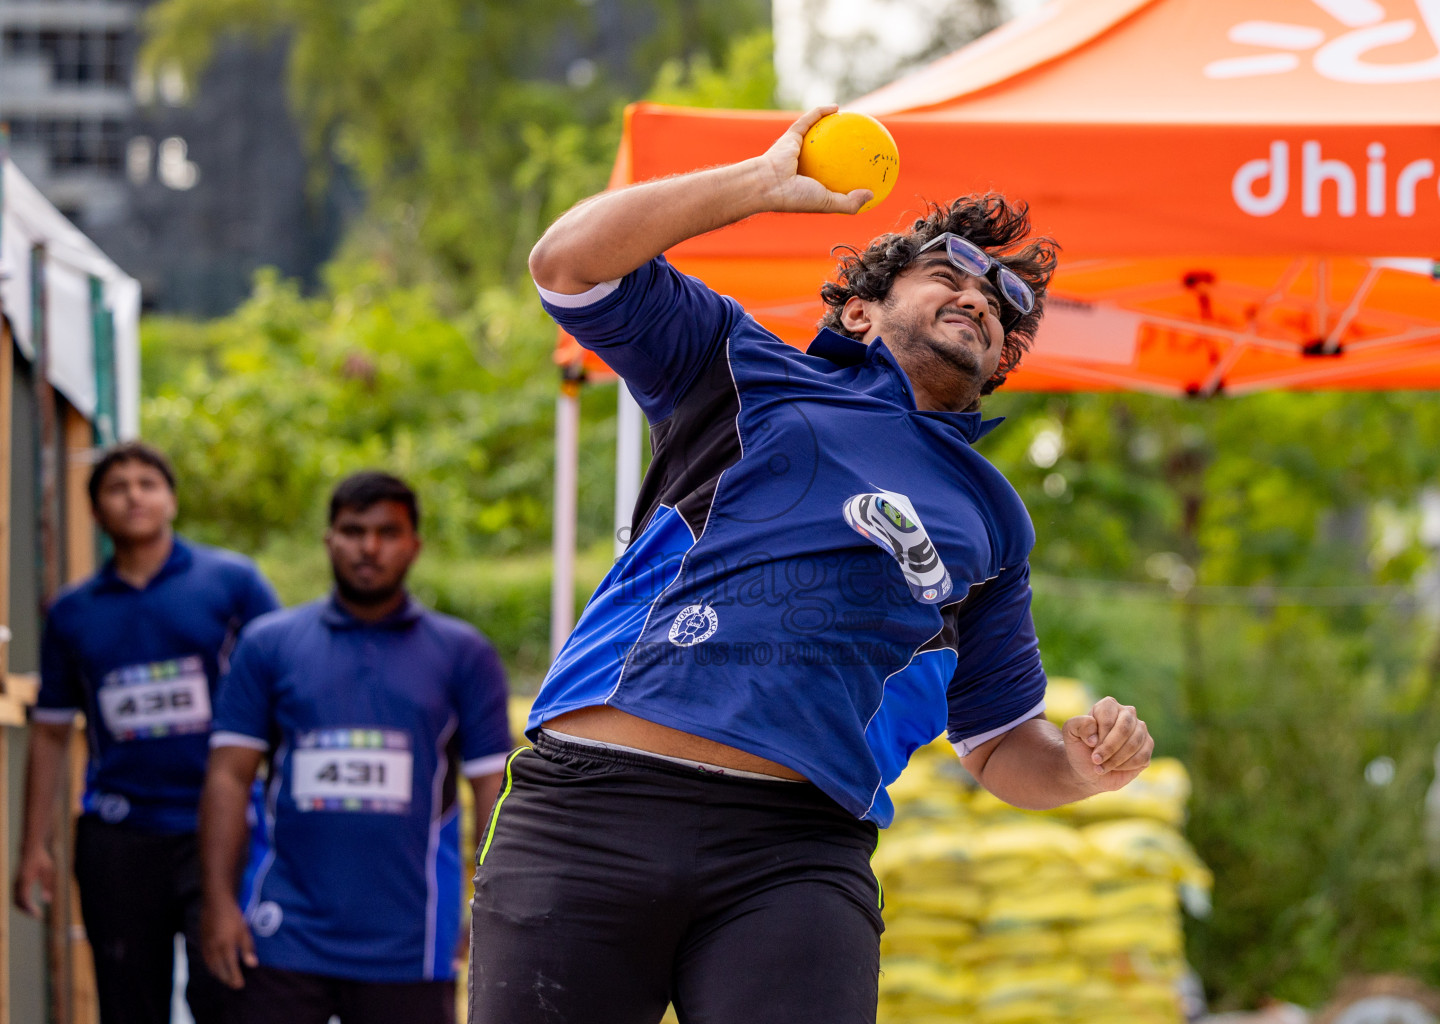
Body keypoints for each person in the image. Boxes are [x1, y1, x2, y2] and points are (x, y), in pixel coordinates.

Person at [468, 106, 1155, 1023]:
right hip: (595, 809)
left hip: (794, 853)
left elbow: (996, 745)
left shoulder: (993, 516)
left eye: (1005, 307)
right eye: (949, 272)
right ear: (861, 308)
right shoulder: (738, 364)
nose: (983, 299)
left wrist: (1083, 772)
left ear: (1000, 363)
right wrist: (760, 182)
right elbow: (568, 262)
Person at [200, 471, 513, 1024]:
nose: (369, 547)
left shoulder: (463, 653)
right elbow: (228, 776)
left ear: (413, 545)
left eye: (387, 532)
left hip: (411, 943)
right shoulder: (269, 644)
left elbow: (493, 786)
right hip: (282, 932)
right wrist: (220, 903)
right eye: (353, 530)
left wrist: (486, 907)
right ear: (329, 539)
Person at [11, 441, 281, 1024]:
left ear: (172, 500)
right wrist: (33, 845)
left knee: (231, 996)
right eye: (116, 487)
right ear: (96, 512)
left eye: (147, 483)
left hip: (226, 833)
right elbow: (52, 733)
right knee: (128, 1005)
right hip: (119, 837)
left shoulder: (233, 582)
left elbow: (287, 698)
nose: (134, 495)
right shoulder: (71, 611)